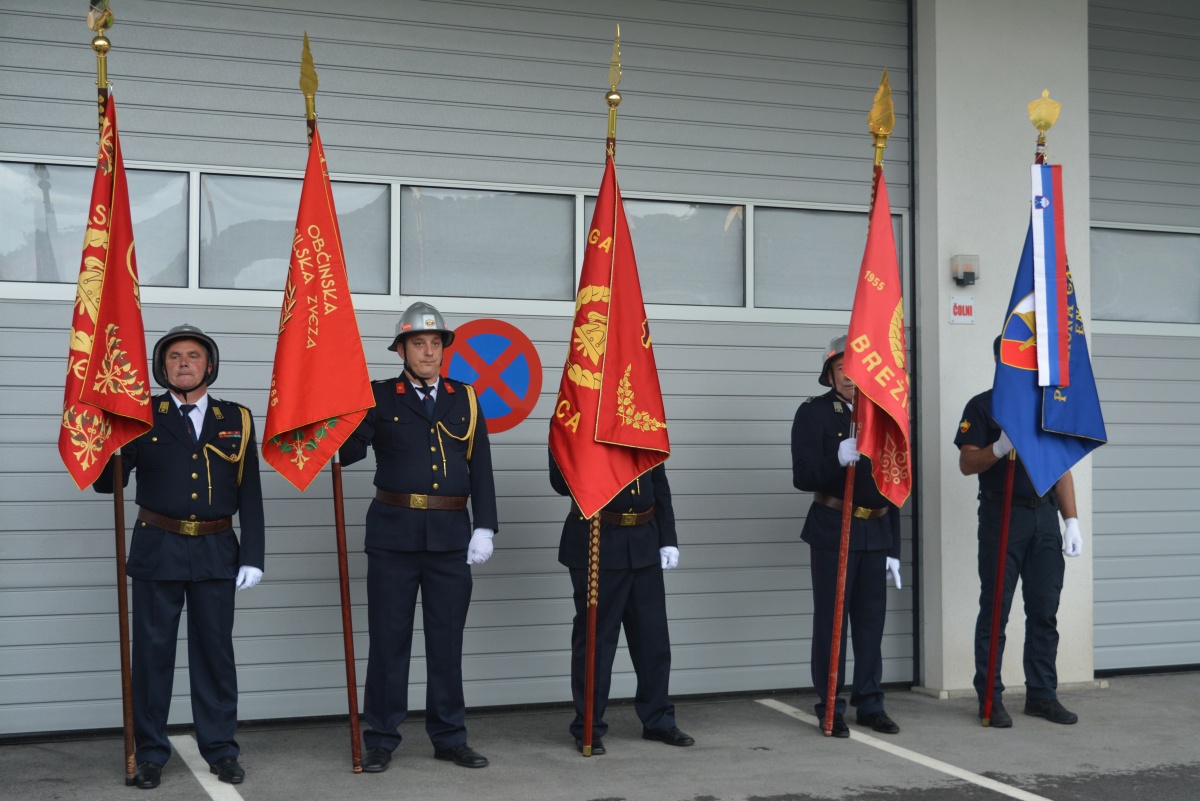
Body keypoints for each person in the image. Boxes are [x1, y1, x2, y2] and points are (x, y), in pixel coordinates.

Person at [95, 324, 264, 790]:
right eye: (174, 357)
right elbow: (105, 484)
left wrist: (253, 554)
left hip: (216, 550)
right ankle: (149, 753)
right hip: (158, 547)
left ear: (209, 365)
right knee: (152, 657)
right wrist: (107, 437)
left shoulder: (238, 418)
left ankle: (221, 749)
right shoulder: (139, 416)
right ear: (161, 366)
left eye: (193, 356)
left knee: (215, 654)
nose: (184, 363)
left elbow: (250, 491)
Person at [340, 301, 498, 773]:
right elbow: (346, 454)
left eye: (435, 343)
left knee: (447, 641)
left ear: (443, 349)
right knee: (389, 642)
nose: (428, 352)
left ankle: (449, 736)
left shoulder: (464, 397)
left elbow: (481, 466)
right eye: (418, 343)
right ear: (402, 350)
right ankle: (382, 738)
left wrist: (485, 525)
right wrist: (330, 416)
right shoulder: (378, 397)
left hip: (451, 536)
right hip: (393, 536)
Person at [954, 336, 1082, 728]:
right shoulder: (983, 405)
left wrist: (1071, 520)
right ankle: (990, 697)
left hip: (1043, 516)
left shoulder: (1047, 407)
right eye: (1014, 358)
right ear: (998, 360)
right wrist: (996, 449)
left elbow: (1060, 468)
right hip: (1002, 515)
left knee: (1044, 610)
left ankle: (1042, 695)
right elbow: (966, 463)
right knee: (996, 609)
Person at [791, 335, 902, 738]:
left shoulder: (882, 416)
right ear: (831, 374)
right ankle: (830, 706)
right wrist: (835, 461)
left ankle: (870, 703)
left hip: (875, 531)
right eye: (842, 369)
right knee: (831, 623)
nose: (850, 376)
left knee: (871, 624)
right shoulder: (814, 414)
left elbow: (895, 482)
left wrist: (894, 547)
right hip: (833, 528)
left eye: (857, 369)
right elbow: (801, 474)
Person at [549, 456, 694, 754]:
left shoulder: (642, 419)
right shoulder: (574, 415)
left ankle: (658, 720)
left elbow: (658, 483)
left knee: (652, 639)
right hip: (598, 538)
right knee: (596, 641)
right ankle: (588, 725)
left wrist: (668, 537)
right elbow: (560, 483)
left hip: (644, 539)